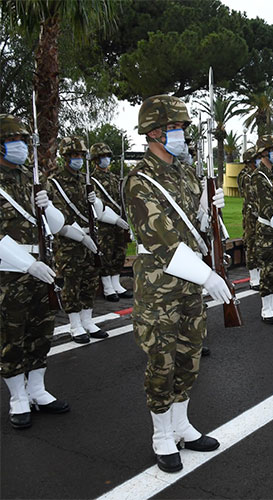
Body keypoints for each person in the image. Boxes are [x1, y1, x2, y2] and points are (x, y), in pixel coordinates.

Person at [124, 95, 227, 473]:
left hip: (189, 286)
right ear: (153, 132)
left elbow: (195, 230)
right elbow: (165, 244)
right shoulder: (139, 181)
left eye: (182, 127)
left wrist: (209, 209)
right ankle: (162, 434)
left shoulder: (185, 173)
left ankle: (181, 424)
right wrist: (208, 276)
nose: (181, 133)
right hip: (159, 287)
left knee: (189, 356)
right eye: (173, 128)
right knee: (162, 362)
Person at [0, 113, 70, 429]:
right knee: (11, 335)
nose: (20, 146)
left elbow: (56, 226)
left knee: (41, 331)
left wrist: (47, 205)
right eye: (12, 140)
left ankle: (38, 390)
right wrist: (29, 264)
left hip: (41, 267)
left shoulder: (31, 178)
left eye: (22, 140)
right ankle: (18, 397)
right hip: (9, 273)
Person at [49, 137, 107, 343]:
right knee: (71, 282)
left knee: (90, 280)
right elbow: (58, 216)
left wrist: (96, 201)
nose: (78, 159)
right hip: (69, 241)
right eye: (74, 155)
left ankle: (88, 321)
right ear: (65, 157)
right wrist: (82, 238)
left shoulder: (86, 180)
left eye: (81, 155)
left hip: (90, 235)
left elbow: (98, 211)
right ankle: (75, 325)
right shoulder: (54, 182)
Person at [249, 135, 273, 324]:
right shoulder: (258, 177)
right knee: (268, 268)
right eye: (272, 150)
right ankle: (266, 307)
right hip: (267, 229)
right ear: (263, 153)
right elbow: (267, 207)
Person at [89, 142, 132, 302]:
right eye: (102, 157)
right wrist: (115, 219)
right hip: (104, 224)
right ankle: (108, 288)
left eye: (107, 156)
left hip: (119, 223)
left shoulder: (115, 179)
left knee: (119, 252)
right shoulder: (92, 180)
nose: (105, 159)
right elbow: (99, 204)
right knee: (106, 254)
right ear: (95, 159)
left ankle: (116, 284)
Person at [237, 148, 261, 290]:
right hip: (251, 215)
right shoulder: (246, 176)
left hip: (260, 214)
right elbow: (251, 196)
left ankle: (260, 273)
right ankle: (254, 277)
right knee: (251, 243)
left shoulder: (257, 173)